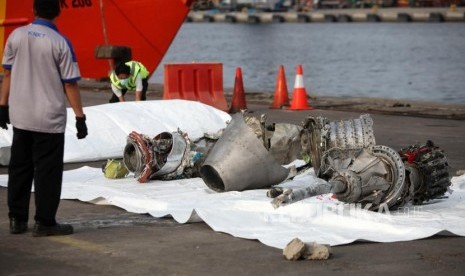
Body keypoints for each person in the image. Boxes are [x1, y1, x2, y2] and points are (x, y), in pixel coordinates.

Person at [0, 0, 88, 236]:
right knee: (47, 172)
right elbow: (70, 84)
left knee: (19, 169)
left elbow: (7, 73)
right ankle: (45, 222)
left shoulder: (15, 36)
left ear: (34, 10)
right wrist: (80, 117)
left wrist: (2, 105)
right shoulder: (61, 42)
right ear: (58, 12)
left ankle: (17, 220)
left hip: (21, 115)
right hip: (49, 119)